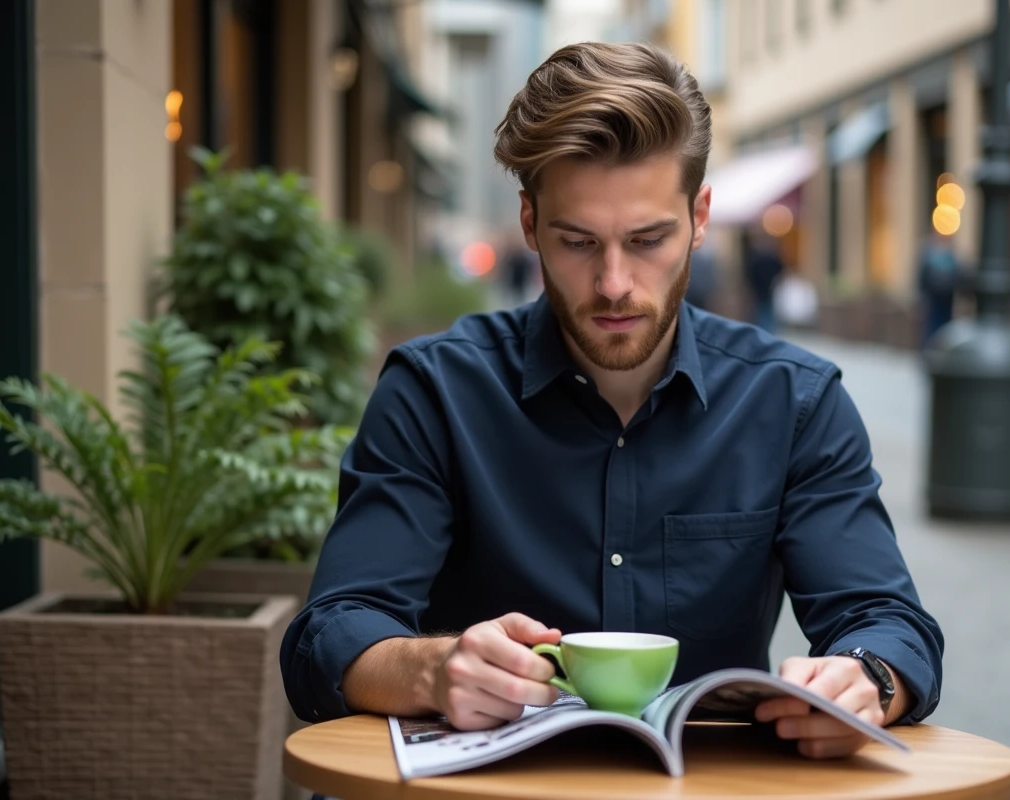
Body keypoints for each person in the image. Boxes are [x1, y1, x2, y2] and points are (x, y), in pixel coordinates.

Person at [281, 42, 943, 761]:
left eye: (648, 239)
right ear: (530, 224)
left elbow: (884, 621)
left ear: (700, 218)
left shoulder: (796, 403)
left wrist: (866, 679)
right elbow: (332, 634)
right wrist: (432, 670)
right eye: (577, 242)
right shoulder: (435, 392)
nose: (615, 283)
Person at [917, 230, 960, 349]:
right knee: (932, 328)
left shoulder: (950, 254)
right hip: (933, 300)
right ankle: (930, 352)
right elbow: (923, 276)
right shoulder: (930, 253)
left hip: (946, 300)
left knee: (944, 329)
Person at [742, 229, 784, 332]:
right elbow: (781, 270)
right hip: (768, 291)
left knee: (760, 315)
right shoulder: (772, 258)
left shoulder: (756, 258)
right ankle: (768, 334)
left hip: (758, 292)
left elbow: (749, 275)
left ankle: (762, 333)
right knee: (767, 315)